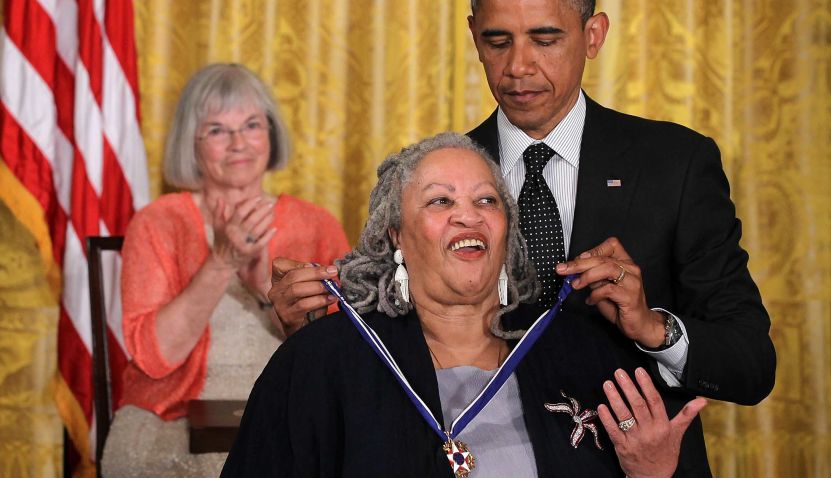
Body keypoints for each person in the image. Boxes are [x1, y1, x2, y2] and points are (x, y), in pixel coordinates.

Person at [267, 0, 776, 474]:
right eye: (498, 41)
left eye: (545, 39)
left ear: (593, 35)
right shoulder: (439, 177)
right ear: (473, 37)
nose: (518, 67)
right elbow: (381, 337)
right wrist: (306, 330)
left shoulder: (675, 164)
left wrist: (653, 328)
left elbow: (751, 365)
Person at [222, 133, 707, 477]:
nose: (467, 216)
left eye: (487, 201)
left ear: (507, 233)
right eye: (439, 202)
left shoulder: (581, 352)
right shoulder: (321, 360)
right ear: (396, 236)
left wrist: (652, 475)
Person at [100, 63, 350, 477]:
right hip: (170, 418)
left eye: (251, 125)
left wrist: (265, 293)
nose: (238, 143)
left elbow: (342, 352)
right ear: (191, 143)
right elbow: (153, 357)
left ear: (270, 133)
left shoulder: (316, 224)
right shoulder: (157, 222)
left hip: (288, 408)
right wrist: (222, 262)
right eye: (217, 130)